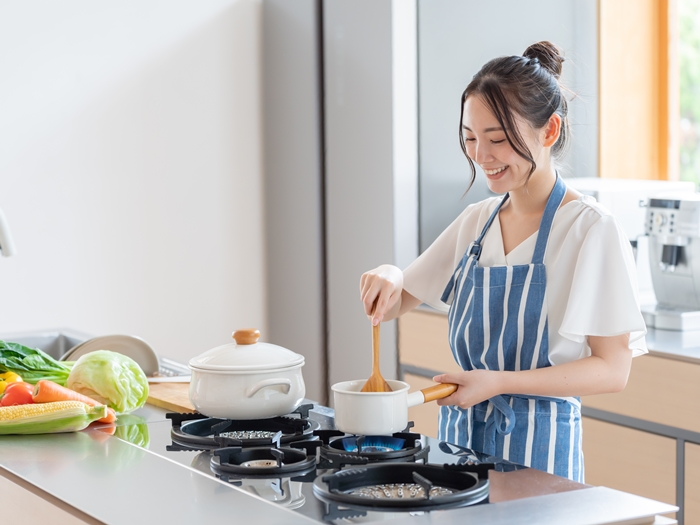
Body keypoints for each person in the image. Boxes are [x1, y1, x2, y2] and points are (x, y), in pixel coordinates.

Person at [359, 41, 646, 483]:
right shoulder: (477, 221)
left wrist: (500, 382)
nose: (480, 156)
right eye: (470, 138)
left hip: (540, 458)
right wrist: (389, 274)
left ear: (549, 131)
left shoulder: (590, 229)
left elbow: (613, 370)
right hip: (460, 453)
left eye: (496, 139)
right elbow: (398, 300)